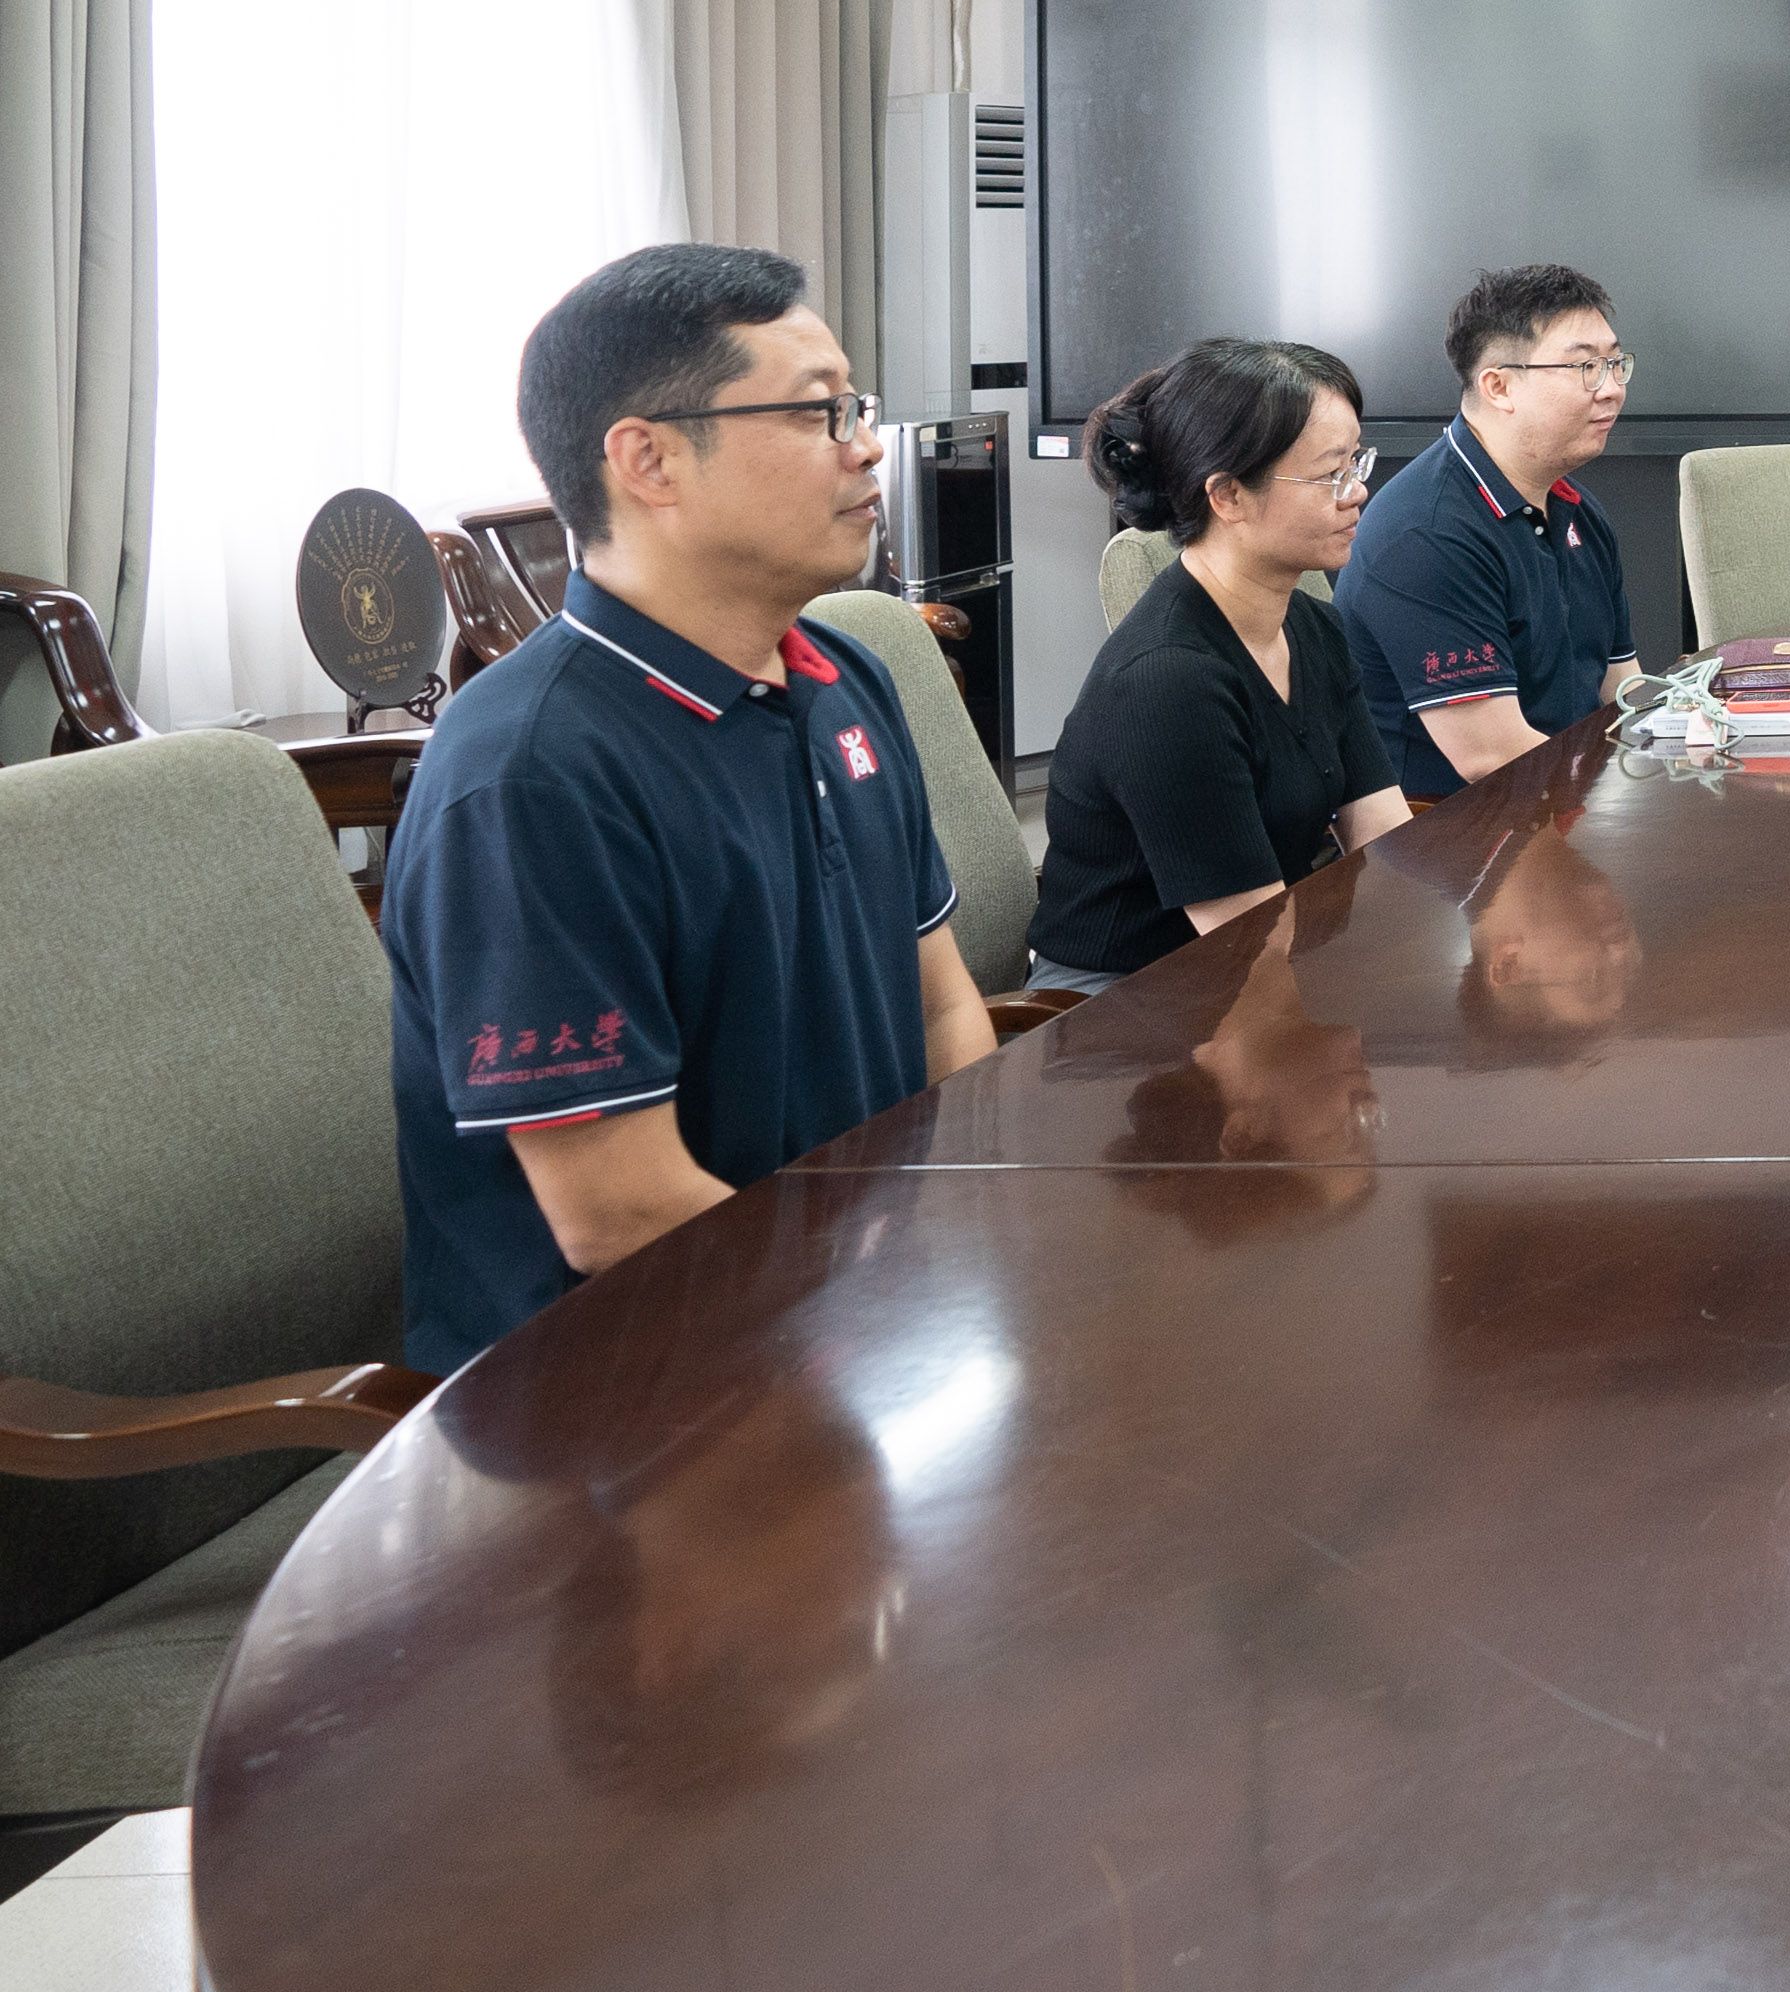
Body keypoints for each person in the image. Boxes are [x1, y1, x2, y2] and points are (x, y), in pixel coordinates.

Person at [382, 244, 995, 1373]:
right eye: (816, 412)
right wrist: (881, 1313)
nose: (866, 444)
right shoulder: (531, 775)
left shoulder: (844, 679)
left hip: (846, 1314)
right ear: (649, 459)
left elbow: (944, 1003)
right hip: (622, 1386)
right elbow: (615, 1211)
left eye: (854, 405)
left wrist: (952, 1242)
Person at [1025, 337, 1412, 993]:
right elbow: (1252, 949)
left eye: (1356, 462)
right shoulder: (1169, 681)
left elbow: (1386, 843)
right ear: (1228, 495)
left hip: (1252, 958)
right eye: (1330, 474)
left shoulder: (1312, 626)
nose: (1358, 492)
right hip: (1123, 1002)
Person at [1341, 264, 1648, 795]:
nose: (1612, 389)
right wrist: (1641, 797)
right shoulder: (1428, 535)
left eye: (1615, 363)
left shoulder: (1577, 509)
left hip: (1564, 798)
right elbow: (1491, 757)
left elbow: (1624, 690)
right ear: (1499, 386)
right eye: (1585, 367)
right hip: (1451, 824)